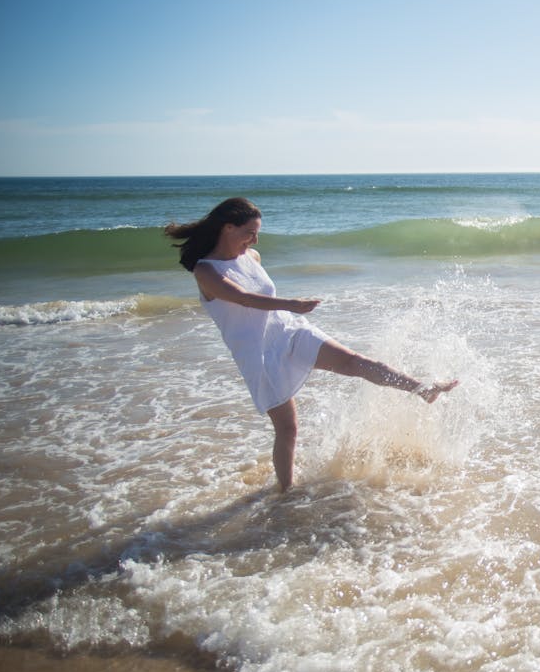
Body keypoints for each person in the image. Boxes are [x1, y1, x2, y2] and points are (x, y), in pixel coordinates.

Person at [166, 197, 458, 491]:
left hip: (289, 331)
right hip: (260, 355)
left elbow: (256, 292)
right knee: (287, 429)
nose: (254, 240)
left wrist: (289, 311)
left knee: (353, 361)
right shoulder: (206, 271)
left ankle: (423, 389)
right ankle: (285, 492)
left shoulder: (251, 257)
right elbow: (242, 298)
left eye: (257, 233)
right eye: (250, 233)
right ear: (228, 228)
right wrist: (291, 303)